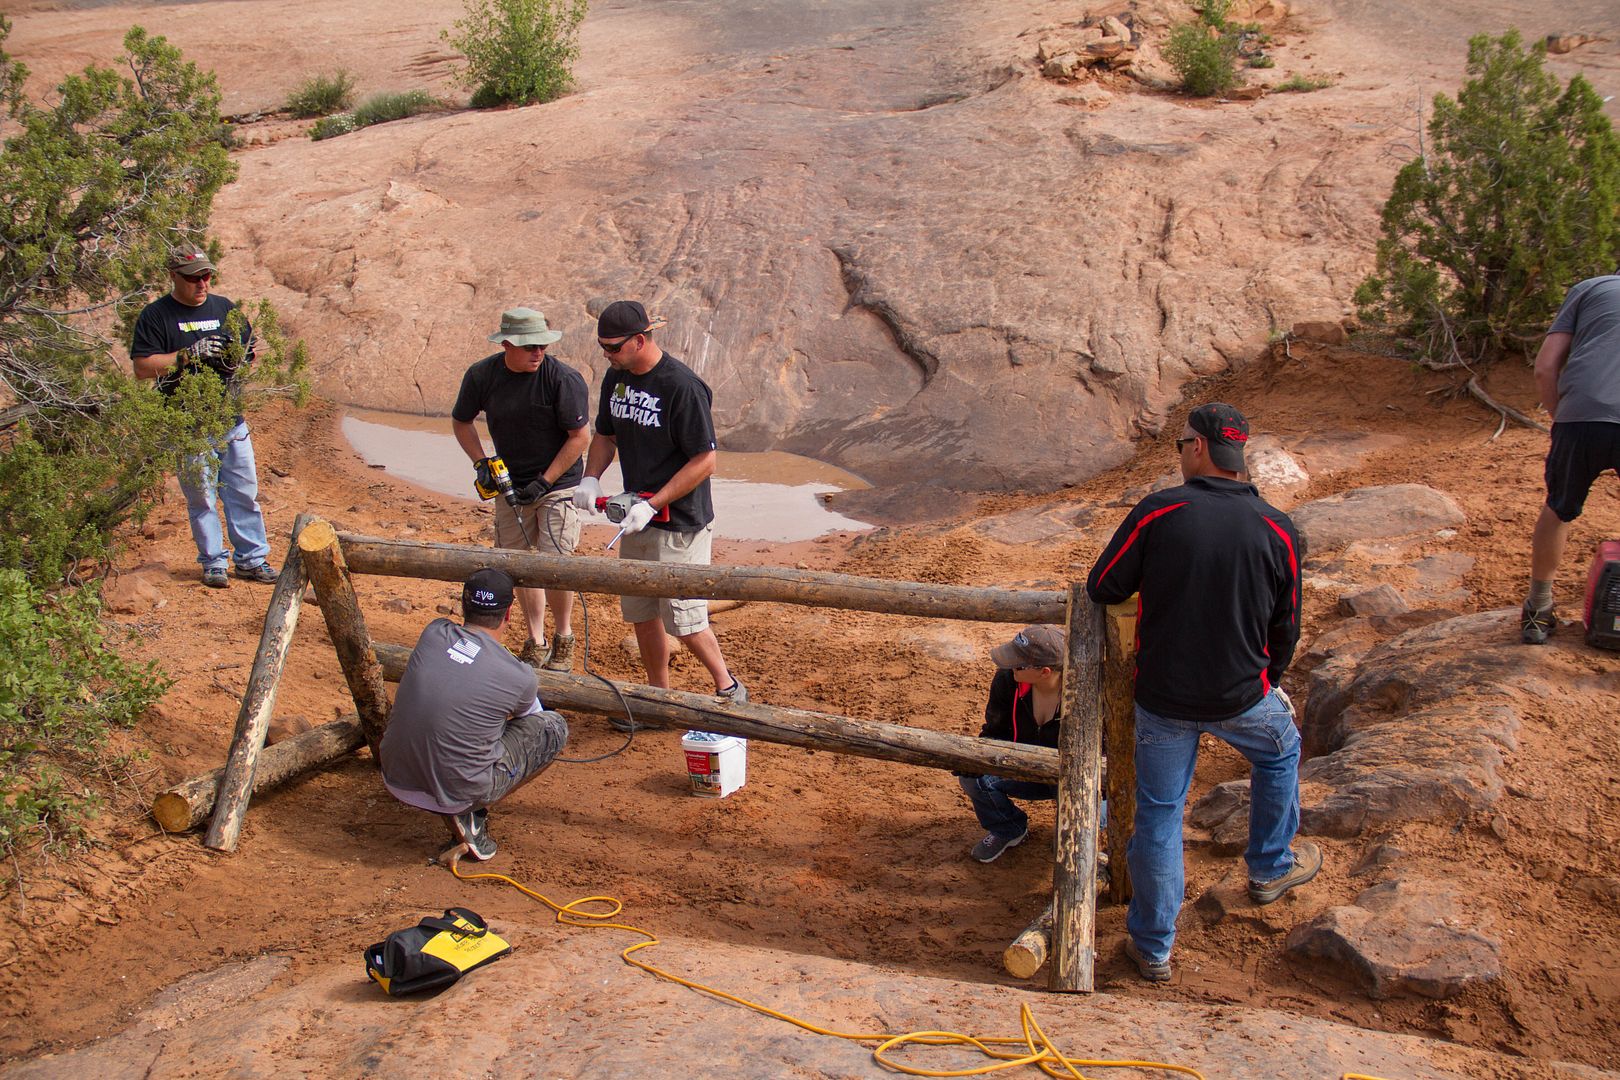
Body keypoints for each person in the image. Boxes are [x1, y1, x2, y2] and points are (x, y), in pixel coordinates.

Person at [1086, 402, 1316, 984]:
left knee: (1160, 815)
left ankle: (1154, 948)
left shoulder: (1160, 511)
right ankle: (1269, 867)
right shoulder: (1277, 527)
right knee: (1280, 753)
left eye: (1181, 444)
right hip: (1242, 696)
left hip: (1163, 697)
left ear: (1198, 448)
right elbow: (1287, 624)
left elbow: (1103, 585)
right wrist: (1271, 678)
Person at [572, 300, 745, 718]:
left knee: (684, 618)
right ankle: (658, 699)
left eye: (613, 347)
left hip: (680, 522)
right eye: (602, 347)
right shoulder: (616, 377)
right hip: (637, 516)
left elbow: (705, 461)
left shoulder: (681, 386)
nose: (607, 355)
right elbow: (605, 435)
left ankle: (728, 686)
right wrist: (591, 477)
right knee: (642, 611)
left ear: (640, 340)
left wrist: (655, 504)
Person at [379, 568, 569, 861]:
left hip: (395, 777)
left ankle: (461, 794)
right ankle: (473, 811)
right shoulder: (519, 674)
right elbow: (532, 719)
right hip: (458, 792)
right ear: (508, 614)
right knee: (553, 727)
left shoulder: (434, 632)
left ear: (464, 604)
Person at [452, 307, 591, 671]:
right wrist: (481, 463)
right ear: (507, 344)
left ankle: (563, 637)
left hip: (558, 483)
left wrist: (545, 481)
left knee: (555, 562)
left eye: (543, 345)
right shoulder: (482, 375)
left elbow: (580, 437)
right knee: (518, 564)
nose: (538, 352)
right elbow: (461, 421)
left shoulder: (563, 379)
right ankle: (536, 640)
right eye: (530, 346)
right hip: (510, 484)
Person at [130, 249, 277, 589]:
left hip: (230, 419)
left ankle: (252, 560)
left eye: (206, 276)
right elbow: (142, 367)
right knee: (202, 499)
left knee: (244, 494)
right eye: (193, 277)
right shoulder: (156, 315)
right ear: (174, 276)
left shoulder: (224, 308)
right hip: (188, 424)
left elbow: (250, 352)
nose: (202, 284)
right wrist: (187, 355)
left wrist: (235, 358)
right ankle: (213, 563)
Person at [1522, 270, 1620, 645]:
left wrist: (1559, 415)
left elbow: (1545, 367)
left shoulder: (1591, 288)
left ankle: (1538, 610)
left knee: (1559, 508)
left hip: (1580, 415)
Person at [957, 625, 1067, 863]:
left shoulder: (1082, 697)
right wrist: (977, 759)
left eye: (1019, 663)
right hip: (1024, 769)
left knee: (1071, 838)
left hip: (1070, 779)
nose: (1009, 665)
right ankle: (1008, 828)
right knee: (974, 779)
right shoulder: (1007, 681)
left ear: (1045, 672)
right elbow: (994, 732)